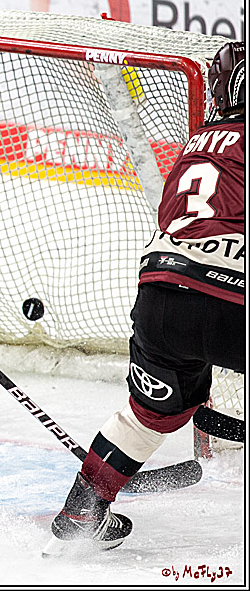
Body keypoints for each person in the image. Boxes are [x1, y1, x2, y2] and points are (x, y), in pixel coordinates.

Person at [43, 42, 245, 556]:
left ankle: (81, 512)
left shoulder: (195, 145)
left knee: (146, 416)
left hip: (158, 297)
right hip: (232, 302)